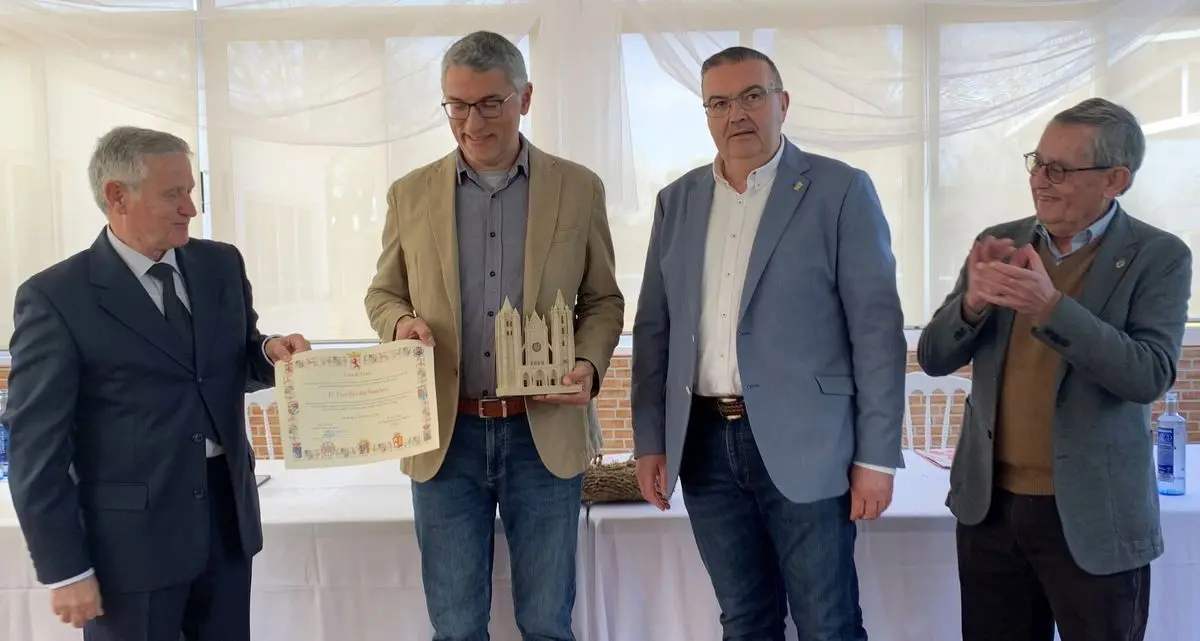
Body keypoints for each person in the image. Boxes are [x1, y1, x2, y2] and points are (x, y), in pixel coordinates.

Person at [630, 46, 907, 640]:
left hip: (811, 444)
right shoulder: (675, 202)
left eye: (753, 96)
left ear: (782, 102)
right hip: (703, 445)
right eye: (720, 102)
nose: (738, 114)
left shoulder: (840, 190)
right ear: (706, 114)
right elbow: (654, 330)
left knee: (827, 623)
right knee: (745, 620)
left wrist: (877, 457)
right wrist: (650, 441)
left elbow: (877, 334)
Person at [1, 125, 311, 641]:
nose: (190, 208)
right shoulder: (56, 297)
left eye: (191, 191)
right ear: (117, 196)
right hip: (128, 551)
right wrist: (65, 569)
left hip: (226, 525)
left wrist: (268, 353)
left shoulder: (220, 264)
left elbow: (230, 358)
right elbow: (36, 451)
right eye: (174, 194)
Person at [363, 31, 623, 640]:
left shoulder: (578, 187)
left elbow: (604, 299)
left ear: (524, 98)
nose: (471, 121)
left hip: (545, 438)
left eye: (489, 103)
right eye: (457, 104)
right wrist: (400, 324)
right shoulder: (410, 193)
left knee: (546, 622)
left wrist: (587, 362)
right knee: (455, 628)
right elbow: (382, 294)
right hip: (445, 437)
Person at [917, 97, 1191, 641]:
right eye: (1037, 163)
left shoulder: (1158, 256)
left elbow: (1148, 375)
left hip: (1095, 516)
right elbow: (933, 357)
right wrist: (971, 304)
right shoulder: (1002, 241)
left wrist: (1052, 309)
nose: (1040, 180)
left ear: (1115, 179)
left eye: (1060, 169)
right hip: (990, 509)